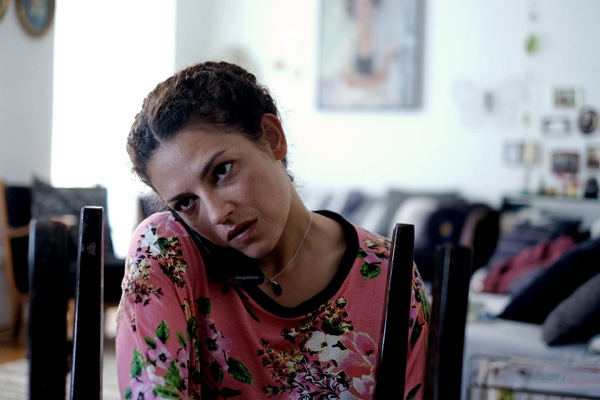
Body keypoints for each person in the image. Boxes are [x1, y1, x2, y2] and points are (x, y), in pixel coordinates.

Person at [116, 60, 430, 399]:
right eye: (186, 203)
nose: (218, 214)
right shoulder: (168, 252)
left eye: (222, 171)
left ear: (272, 137)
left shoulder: (385, 272)